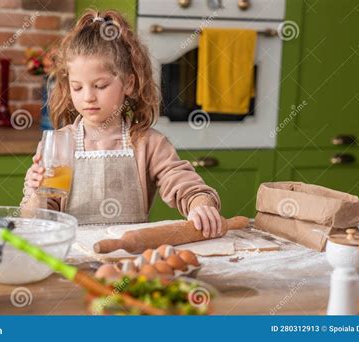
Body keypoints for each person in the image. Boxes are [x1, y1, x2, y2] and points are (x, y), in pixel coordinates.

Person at [21, 9, 223, 238]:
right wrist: (37, 193)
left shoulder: (148, 143)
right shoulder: (58, 144)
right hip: (72, 259)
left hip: (130, 259)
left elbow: (186, 187)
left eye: (100, 85)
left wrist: (201, 205)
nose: (88, 96)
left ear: (128, 83)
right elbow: (35, 222)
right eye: (77, 87)